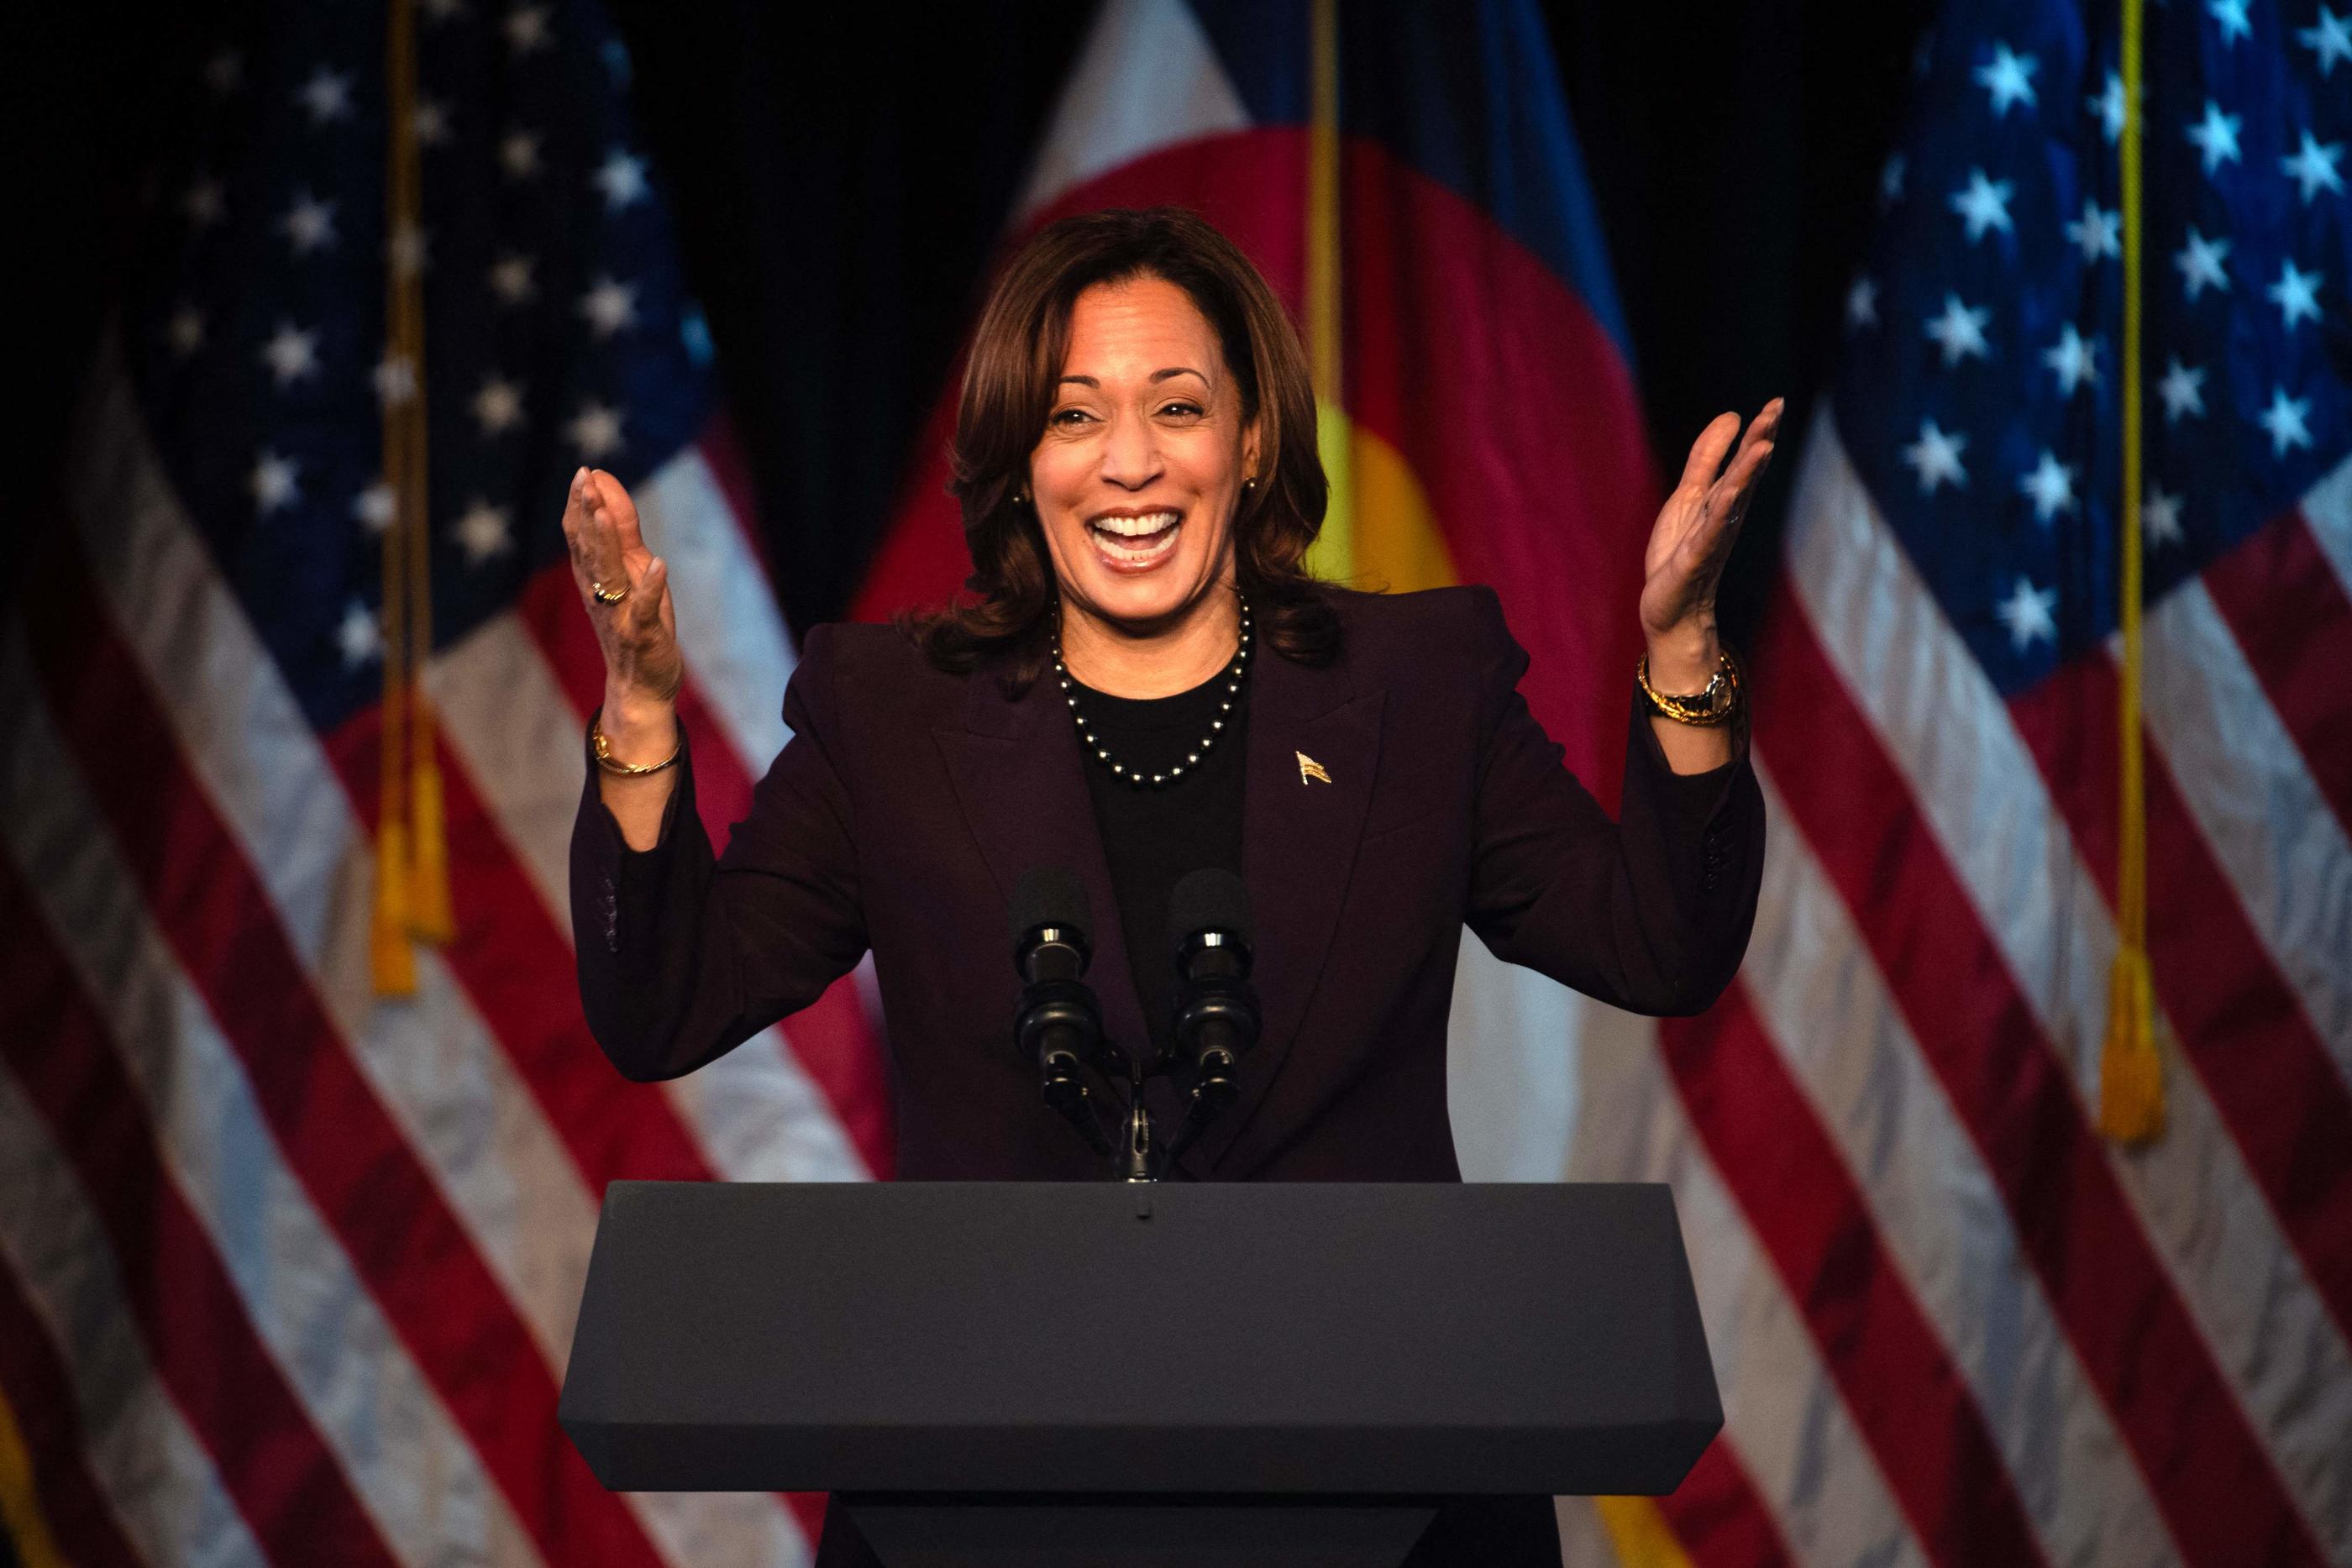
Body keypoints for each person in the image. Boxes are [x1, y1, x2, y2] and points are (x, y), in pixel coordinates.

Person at [564, 206, 1770, 1566]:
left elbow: (1661, 945)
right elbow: (662, 1006)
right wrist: (643, 720)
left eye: (1176, 406)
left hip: (1387, 1487)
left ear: (1251, 441)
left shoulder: (1416, 690)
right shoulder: (894, 714)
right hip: (986, 1501)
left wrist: (1681, 655)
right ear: (1022, 459)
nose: (1128, 463)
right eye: (1074, 416)